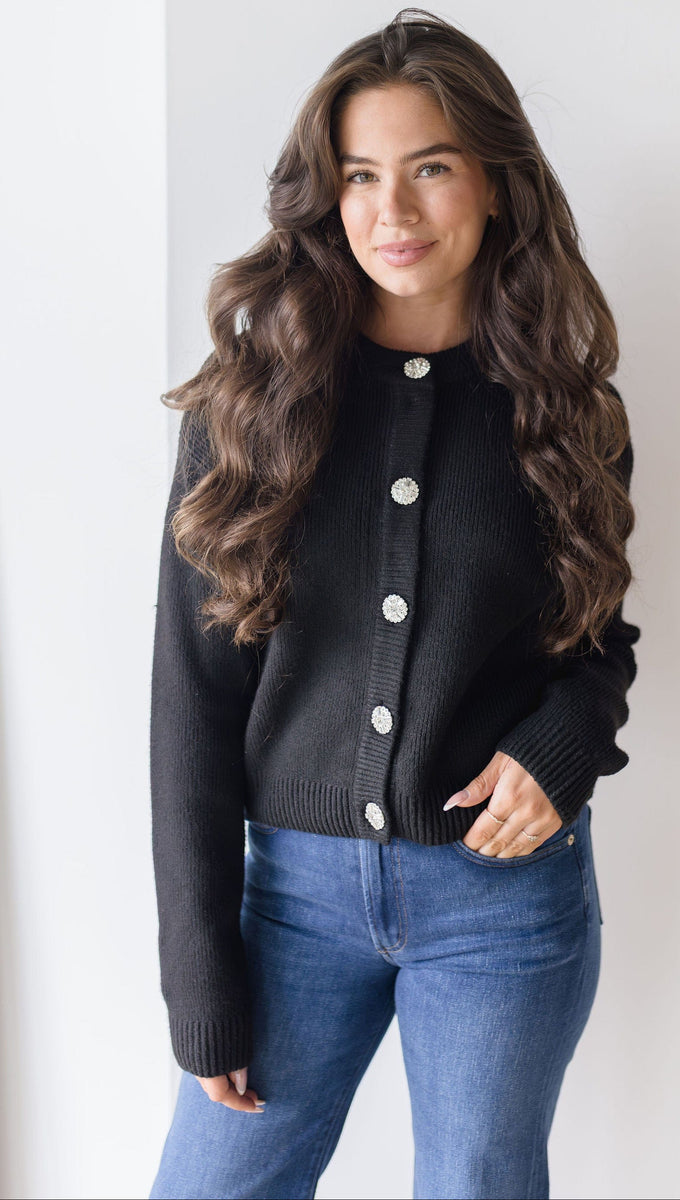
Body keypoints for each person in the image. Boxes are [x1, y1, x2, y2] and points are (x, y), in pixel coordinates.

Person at [148, 9, 641, 1199]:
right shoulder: (251, 404)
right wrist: (200, 973)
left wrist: (558, 750)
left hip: (499, 901)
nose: (391, 210)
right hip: (290, 907)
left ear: (494, 181)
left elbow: (594, 641)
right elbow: (190, 699)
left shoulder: (564, 409)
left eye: (429, 168)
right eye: (359, 175)